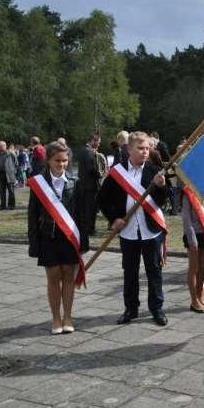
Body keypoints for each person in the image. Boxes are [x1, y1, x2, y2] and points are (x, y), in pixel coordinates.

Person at [97, 131, 169, 326]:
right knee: (130, 271)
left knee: (154, 271)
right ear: (129, 149)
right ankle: (131, 308)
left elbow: (162, 201)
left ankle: (157, 309)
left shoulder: (154, 170)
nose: (145, 152)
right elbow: (103, 200)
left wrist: (162, 187)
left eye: (147, 148)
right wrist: (114, 219)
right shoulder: (117, 172)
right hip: (128, 232)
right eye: (140, 148)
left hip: (150, 231)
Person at [27, 141, 88, 334]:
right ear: (48, 160)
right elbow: (32, 215)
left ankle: (68, 317)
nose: (61, 164)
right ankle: (55, 318)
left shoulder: (75, 182)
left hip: (70, 238)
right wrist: (33, 243)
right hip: (48, 237)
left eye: (65, 160)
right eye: (57, 161)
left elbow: (82, 214)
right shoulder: (38, 183)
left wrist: (83, 241)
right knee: (53, 277)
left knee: (68, 277)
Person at [181, 185, 204, 313]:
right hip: (194, 235)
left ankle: (200, 298)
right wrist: (192, 241)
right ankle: (194, 301)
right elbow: (187, 220)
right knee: (194, 268)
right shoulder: (187, 194)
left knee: (203, 267)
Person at [78, 134, 102, 234]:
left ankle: (86, 227)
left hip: (84, 184)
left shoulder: (83, 150)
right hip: (90, 185)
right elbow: (91, 169)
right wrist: (100, 175)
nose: (99, 144)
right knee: (91, 209)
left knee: (86, 208)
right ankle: (90, 229)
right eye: (98, 142)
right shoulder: (89, 152)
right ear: (93, 141)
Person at [0, 141, 17, 209]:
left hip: (9, 174)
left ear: (5, 146)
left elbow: (16, 163)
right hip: (0, 174)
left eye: (2, 146)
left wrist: (13, 171)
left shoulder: (10, 153)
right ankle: (3, 205)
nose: (1, 147)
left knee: (11, 191)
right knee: (1, 191)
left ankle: (11, 205)